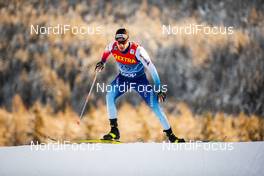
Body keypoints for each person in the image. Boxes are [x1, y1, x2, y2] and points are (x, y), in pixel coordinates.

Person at [95, 28, 185, 143]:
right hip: (123, 79)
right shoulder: (113, 46)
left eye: (123, 42)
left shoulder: (138, 51)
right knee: (109, 96)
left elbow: (152, 68)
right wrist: (102, 61)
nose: (121, 45)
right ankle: (114, 131)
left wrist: (159, 89)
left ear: (128, 40)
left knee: (155, 106)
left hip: (139, 81)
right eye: (119, 42)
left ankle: (172, 136)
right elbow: (106, 51)